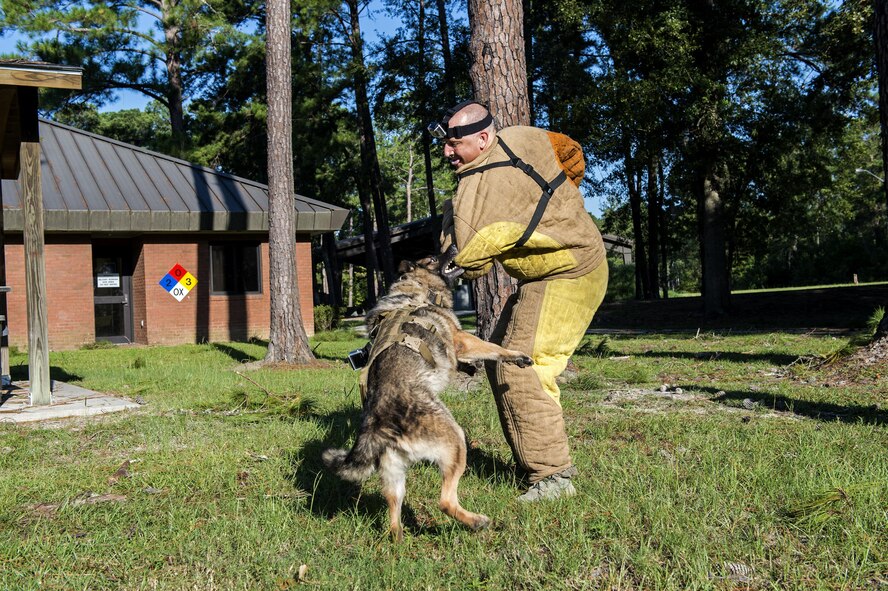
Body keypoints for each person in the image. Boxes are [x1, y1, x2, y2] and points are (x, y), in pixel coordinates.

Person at [432, 100, 609, 502]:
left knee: (521, 367)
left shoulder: (481, 195)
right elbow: (570, 152)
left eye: (454, 143)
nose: (447, 152)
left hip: (571, 273)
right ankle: (535, 463)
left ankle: (554, 478)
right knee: (498, 360)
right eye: (445, 142)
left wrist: (449, 218)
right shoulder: (521, 136)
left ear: (482, 138)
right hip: (552, 272)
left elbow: (464, 264)